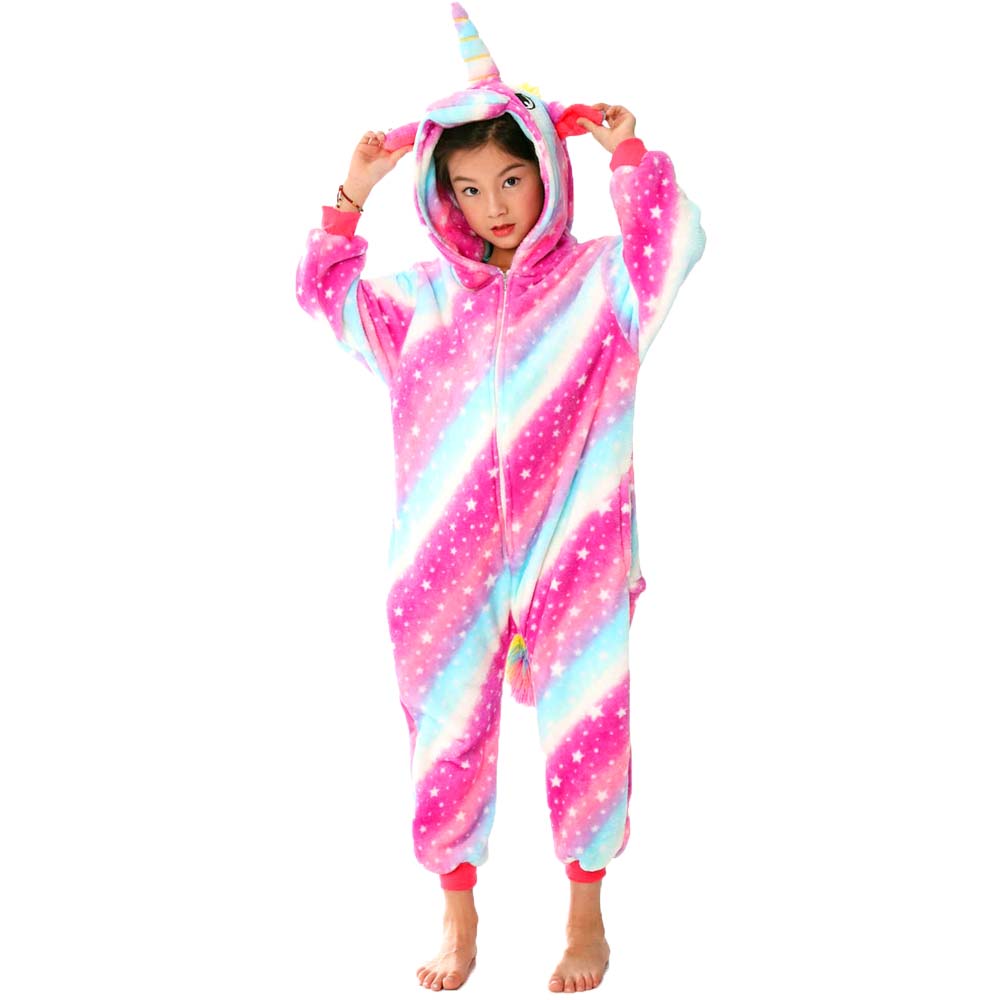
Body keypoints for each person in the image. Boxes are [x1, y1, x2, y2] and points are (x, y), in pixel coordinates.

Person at [295, 4, 705, 992]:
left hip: (575, 545)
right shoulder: (418, 301)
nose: (494, 206)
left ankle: (585, 917)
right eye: (470, 188)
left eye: (512, 179)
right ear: (443, 197)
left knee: (588, 723)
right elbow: (323, 294)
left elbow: (673, 242)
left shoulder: (602, 284)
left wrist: (627, 155)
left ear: (546, 173)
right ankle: (458, 911)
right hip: (444, 559)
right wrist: (351, 194)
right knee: (442, 729)